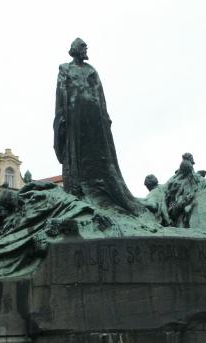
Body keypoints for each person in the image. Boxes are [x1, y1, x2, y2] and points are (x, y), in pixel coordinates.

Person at [53, 38, 144, 215]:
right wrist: (62, 116)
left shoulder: (91, 70)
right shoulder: (65, 69)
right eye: (83, 47)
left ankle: (102, 191)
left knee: (100, 153)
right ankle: (79, 188)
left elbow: (100, 95)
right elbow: (61, 93)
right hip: (75, 116)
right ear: (76, 50)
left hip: (95, 117)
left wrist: (105, 116)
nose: (86, 50)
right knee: (77, 152)